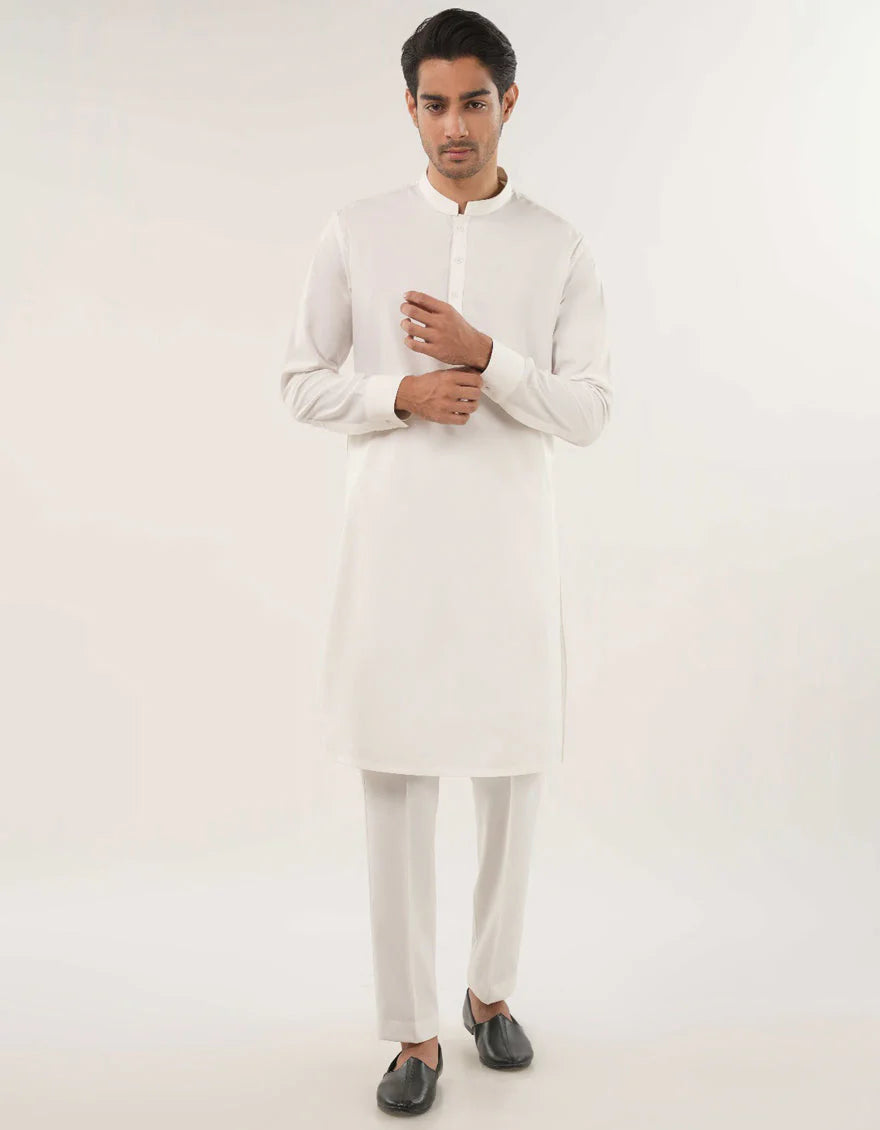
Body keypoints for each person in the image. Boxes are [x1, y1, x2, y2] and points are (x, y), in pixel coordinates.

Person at [280, 7, 612, 1116]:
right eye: (435, 104)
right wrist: (401, 394)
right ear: (410, 108)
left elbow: (588, 411)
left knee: (513, 780)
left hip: (509, 555)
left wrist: (486, 357)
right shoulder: (358, 230)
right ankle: (412, 1028)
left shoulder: (557, 244)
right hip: (393, 557)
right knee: (396, 783)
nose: (454, 126)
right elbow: (300, 381)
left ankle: (489, 991)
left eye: (474, 102)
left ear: (508, 103)